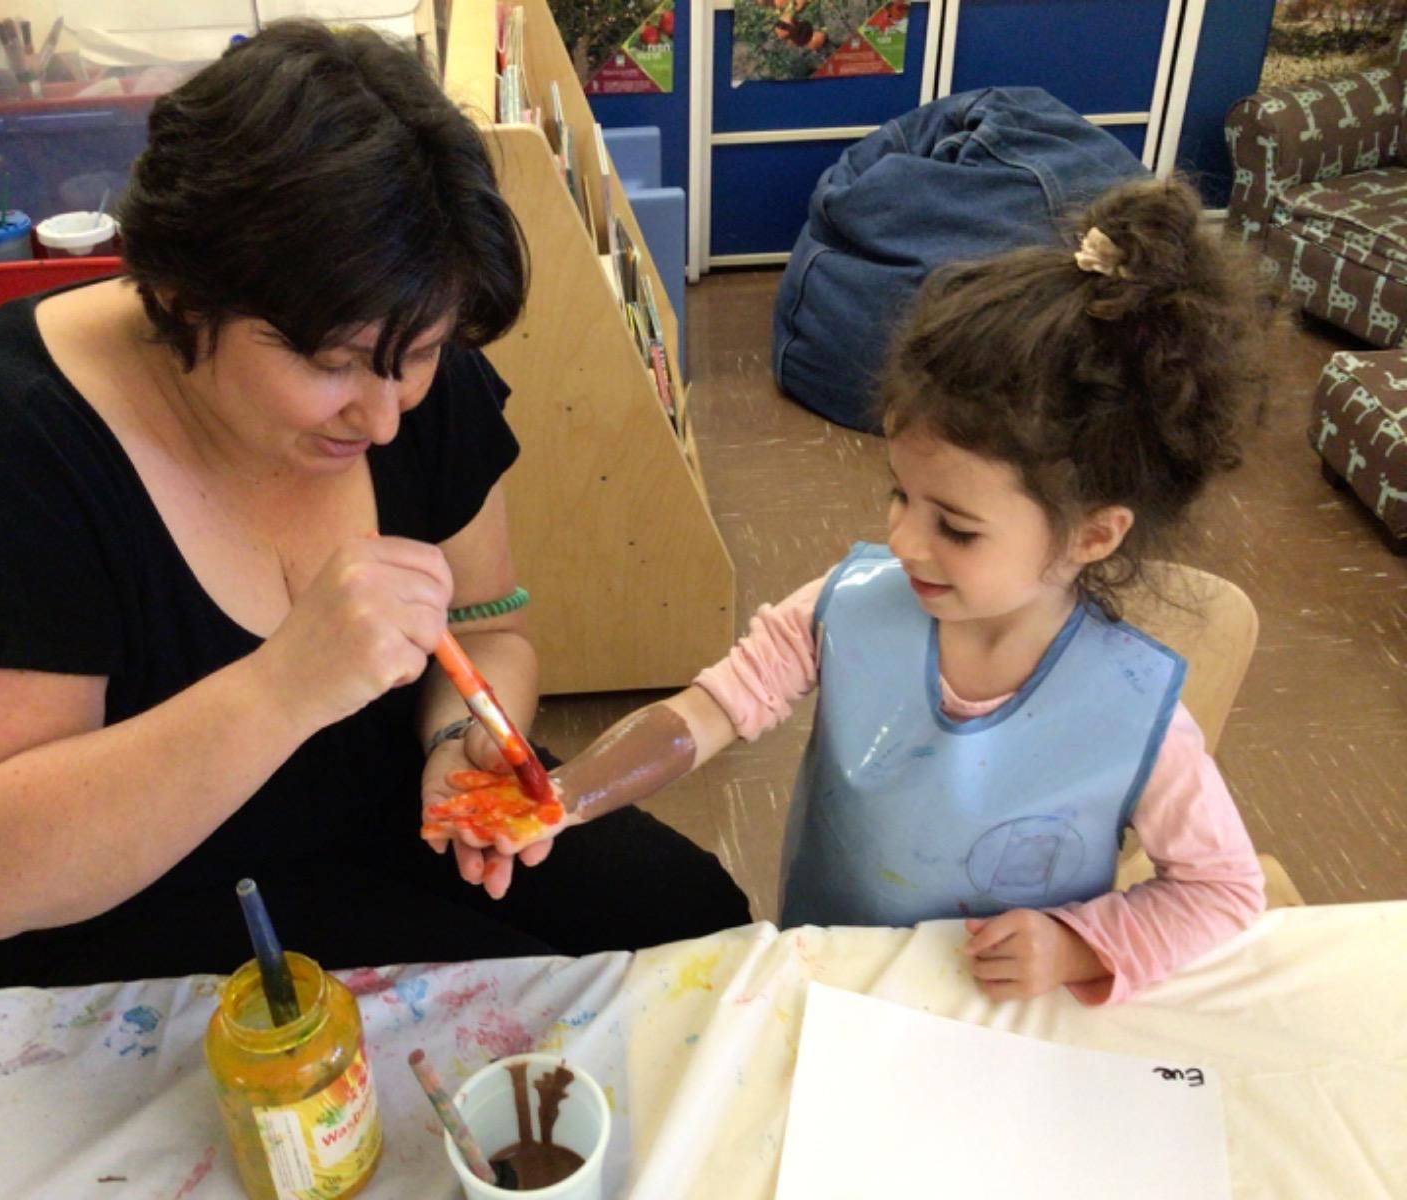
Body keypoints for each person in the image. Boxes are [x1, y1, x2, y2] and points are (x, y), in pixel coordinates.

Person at [0, 22, 748, 990]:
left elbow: (488, 627)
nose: (380, 416)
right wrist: (284, 686)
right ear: (177, 293)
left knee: (691, 921)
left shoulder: (406, 365)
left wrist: (459, 744)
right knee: (493, 1019)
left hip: (382, 799)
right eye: (330, 364)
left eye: (415, 357)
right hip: (131, 888)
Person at [425, 177, 1271, 1005]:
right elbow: (707, 711)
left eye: (957, 526)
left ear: (1093, 534)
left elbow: (1223, 893)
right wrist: (562, 797)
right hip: (840, 993)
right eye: (900, 494)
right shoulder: (852, 603)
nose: (903, 540)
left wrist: (1080, 945)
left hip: (1004, 1024)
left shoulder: (1135, 717)